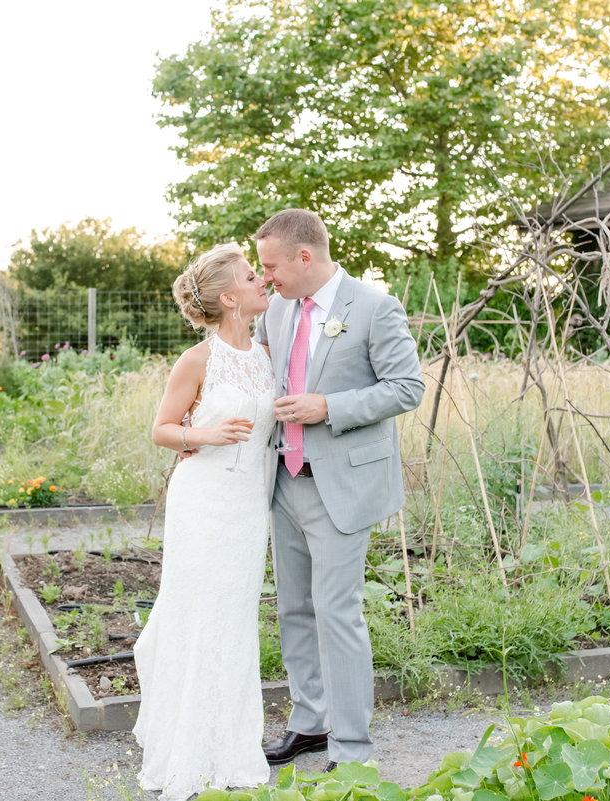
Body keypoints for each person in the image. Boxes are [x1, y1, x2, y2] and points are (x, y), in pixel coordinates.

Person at [253, 209, 425, 772]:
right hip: (284, 480)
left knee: (337, 612)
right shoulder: (276, 311)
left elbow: (406, 387)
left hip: (342, 488)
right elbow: (257, 376)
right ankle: (308, 723)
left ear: (305, 257)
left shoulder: (375, 307)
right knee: (295, 609)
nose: (266, 277)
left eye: (271, 265)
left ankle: (352, 750)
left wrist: (329, 407)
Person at [133, 243, 275, 800]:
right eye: (250, 275)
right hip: (202, 503)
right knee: (199, 617)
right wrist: (205, 435)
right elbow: (163, 429)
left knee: (235, 620)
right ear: (228, 296)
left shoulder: (266, 354)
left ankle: (231, 749)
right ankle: (185, 753)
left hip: (247, 507)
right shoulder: (198, 359)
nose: (262, 279)